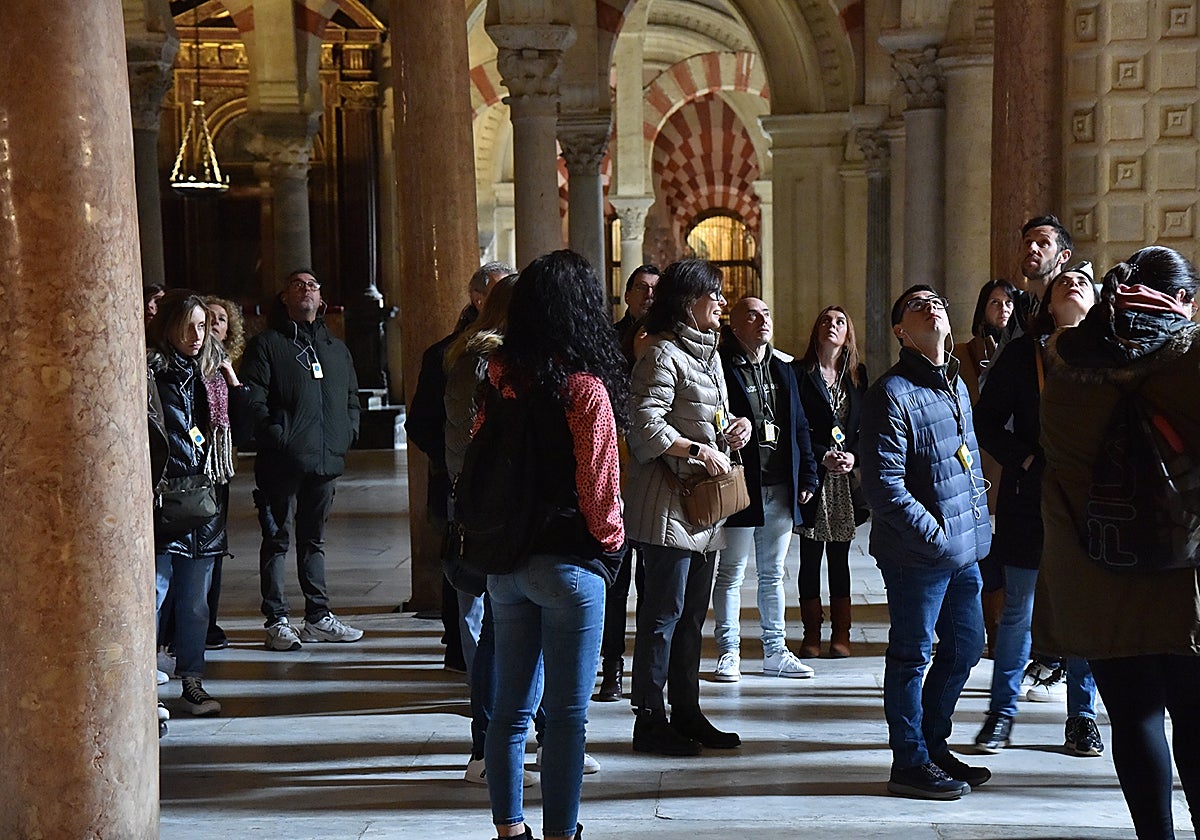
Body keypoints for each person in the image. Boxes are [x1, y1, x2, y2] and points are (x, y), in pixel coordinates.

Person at [1035, 246, 1200, 840]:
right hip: (1188, 573)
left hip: (1098, 569)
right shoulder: (1192, 355)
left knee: (1132, 717)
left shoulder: (1065, 362)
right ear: (1182, 300)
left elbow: (1058, 468)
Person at [481, 250, 627, 840]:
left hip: (505, 562)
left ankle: (509, 831)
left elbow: (482, 465)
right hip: (568, 565)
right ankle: (562, 835)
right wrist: (611, 551)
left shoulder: (499, 379)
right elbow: (600, 490)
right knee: (565, 719)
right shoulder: (585, 390)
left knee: (509, 714)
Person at [859, 285, 992, 800]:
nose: (932, 304)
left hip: (965, 549)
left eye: (938, 299)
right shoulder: (891, 393)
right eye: (917, 305)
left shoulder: (955, 382)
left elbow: (968, 462)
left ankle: (934, 745)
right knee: (913, 655)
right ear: (900, 331)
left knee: (966, 646)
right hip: (920, 553)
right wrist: (936, 536)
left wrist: (976, 531)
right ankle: (909, 761)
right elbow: (883, 486)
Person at [972, 265, 1104, 759]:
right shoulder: (1023, 356)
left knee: (1081, 615)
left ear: (1096, 303)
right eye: (1062, 283)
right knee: (1018, 613)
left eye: (1083, 283)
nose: (1072, 285)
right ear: (1048, 303)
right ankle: (1001, 715)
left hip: (1093, 504)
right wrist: (1024, 458)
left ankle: (1082, 719)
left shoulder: (1107, 357)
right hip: (1032, 499)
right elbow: (983, 420)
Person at [624, 258, 751, 756]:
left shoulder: (710, 356)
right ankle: (649, 718)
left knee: (694, 613)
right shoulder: (659, 354)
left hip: (703, 507)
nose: (722, 303)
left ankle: (688, 710)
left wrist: (733, 429)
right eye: (713, 295)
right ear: (687, 302)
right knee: (662, 615)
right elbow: (645, 429)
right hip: (665, 508)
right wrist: (700, 450)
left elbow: (712, 417)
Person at [242, 270, 363, 650]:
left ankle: (317, 616)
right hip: (283, 462)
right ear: (284, 297)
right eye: (297, 284)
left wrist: (347, 434)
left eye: (313, 284)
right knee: (277, 539)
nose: (307, 289)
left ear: (321, 297)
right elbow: (253, 401)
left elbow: (351, 398)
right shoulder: (267, 345)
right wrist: (279, 438)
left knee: (314, 540)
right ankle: (277, 619)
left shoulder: (335, 347)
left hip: (326, 459)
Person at [406, 261, 514, 672]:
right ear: (479, 299)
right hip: (462, 483)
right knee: (465, 574)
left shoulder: (517, 354)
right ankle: (471, 664)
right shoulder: (450, 355)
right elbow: (420, 422)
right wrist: (455, 461)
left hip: (489, 485)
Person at [148, 290, 245, 716]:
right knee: (153, 594)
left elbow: (244, 427)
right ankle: (143, 685)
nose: (196, 335)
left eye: (203, 326)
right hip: (163, 498)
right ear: (168, 326)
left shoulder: (212, 374)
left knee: (194, 601)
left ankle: (192, 681)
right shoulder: (151, 372)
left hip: (203, 499)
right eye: (188, 325)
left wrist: (234, 383)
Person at [711, 296, 818, 681]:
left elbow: (799, 426)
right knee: (732, 572)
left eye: (767, 314)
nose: (763, 321)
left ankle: (775, 649)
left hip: (780, 486)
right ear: (735, 326)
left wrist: (807, 476)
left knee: (773, 573)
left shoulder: (784, 368)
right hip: (742, 485)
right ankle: (730, 651)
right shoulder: (722, 366)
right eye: (752, 316)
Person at [597, 264, 660, 702]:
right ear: (627, 295)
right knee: (615, 582)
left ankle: (652, 672)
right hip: (617, 471)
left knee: (654, 585)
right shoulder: (608, 339)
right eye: (641, 288)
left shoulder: (672, 341)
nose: (649, 296)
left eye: (657, 289)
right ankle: (612, 669)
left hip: (656, 475)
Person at [794, 305, 869, 658]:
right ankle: (811, 632)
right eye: (825, 319)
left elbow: (864, 425)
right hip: (815, 474)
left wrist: (854, 455)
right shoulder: (799, 373)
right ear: (815, 329)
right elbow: (797, 426)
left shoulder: (857, 376)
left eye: (840, 321)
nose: (832, 325)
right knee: (810, 558)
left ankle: (842, 633)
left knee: (839, 559)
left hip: (845, 482)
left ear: (847, 334)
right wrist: (823, 453)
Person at [954, 278, 1017, 658]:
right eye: (995, 302)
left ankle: (1000, 636)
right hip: (970, 469)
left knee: (1006, 555)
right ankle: (975, 632)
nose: (1003, 309)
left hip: (1006, 467)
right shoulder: (961, 354)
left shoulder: (1023, 354)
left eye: (1009, 303)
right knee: (977, 555)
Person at [199, 295, 249, 651]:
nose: (214, 325)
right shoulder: (189, 365)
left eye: (220, 320)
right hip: (195, 467)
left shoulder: (228, 366)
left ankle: (209, 623)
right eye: (206, 320)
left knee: (215, 548)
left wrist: (230, 375)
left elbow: (243, 416)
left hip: (220, 466)